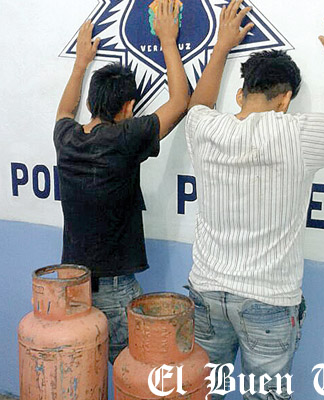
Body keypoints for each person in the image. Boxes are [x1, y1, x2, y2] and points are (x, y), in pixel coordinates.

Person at [184, 1, 324, 399]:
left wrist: (221, 47)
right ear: (285, 98)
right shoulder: (298, 135)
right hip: (269, 302)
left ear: (241, 93)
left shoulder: (203, 129)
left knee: (204, 393)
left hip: (206, 292)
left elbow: (198, 104)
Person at [54, 0, 189, 363]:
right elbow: (180, 101)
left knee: (83, 376)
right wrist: (167, 40)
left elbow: (65, 111)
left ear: (93, 101)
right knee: (135, 377)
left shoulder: (67, 138)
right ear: (129, 107)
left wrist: (81, 62)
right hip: (114, 290)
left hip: (73, 287)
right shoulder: (126, 137)